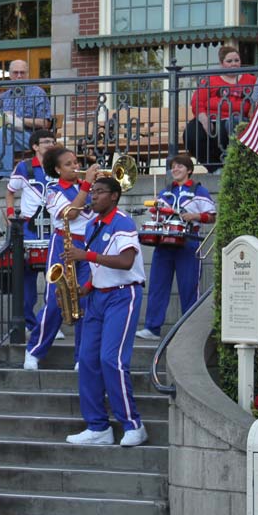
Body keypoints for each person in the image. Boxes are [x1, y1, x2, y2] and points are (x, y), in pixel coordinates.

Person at [64, 176, 148, 447]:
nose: (93, 197)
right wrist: (85, 288)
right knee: (87, 361)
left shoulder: (123, 221)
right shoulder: (92, 225)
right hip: (99, 297)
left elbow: (125, 261)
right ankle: (98, 427)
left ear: (114, 196)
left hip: (124, 295)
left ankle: (133, 424)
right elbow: (101, 267)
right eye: (93, 192)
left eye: (100, 193)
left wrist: (84, 257)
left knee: (111, 360)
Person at [23, 147, 99, 371]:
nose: (75, 166)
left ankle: (81, 357)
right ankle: (34, 351)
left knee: (86, 302)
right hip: (63, 245)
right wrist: (86, 186)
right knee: (56, 301)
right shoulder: (53, 191)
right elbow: (71, 213)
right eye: (68, 164)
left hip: (88, 245)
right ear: (57, 169)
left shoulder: (90, 187)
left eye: (75, 162)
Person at [136, 155, 216, 341]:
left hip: (188, 241)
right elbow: (156, 212)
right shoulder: (166, 192)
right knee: (157, 285)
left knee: (189, 288)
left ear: (189, 169)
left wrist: (194, 216)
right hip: (164, 241)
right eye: (173, 166)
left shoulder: (199, 190)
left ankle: (190, 331)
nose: (175, 169)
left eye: (180, 166)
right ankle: (152, 328)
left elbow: (212, 216)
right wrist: (156, 210)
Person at [5, 129, 57, 330]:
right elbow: (10, 191)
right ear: (35, 146)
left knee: (54, 277)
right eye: (45, 141)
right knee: (27, 279)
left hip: (54, 228)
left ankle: (51, 322)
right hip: (29, 229)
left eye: (53, 141)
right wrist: (10, 213)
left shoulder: (60, 166)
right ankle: (28, 322)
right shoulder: (23, 168)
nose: (50, 144)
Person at [0, 60, 52, 180]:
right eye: (15, 73)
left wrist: (18, 120)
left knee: (3, 132)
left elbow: (45, 122)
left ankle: (5, 176)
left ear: (27, 74)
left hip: (29, 137)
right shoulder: (3, 97)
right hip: (0, 136)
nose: (19, 76)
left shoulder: (37, 93)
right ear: (10, 75)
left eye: (22, 73)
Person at [182, 45, 256, 173]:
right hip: (211, 120)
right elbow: (197, 101)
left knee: (231, 125)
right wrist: (204, 120)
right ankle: (215, 168)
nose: (234, 64)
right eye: (229, 61)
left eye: (236, 60)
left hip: (238, 121)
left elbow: (256, 102)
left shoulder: (251, 80)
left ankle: (235, 166)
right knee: (192, 133)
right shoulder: (210, 79)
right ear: (222, 63)